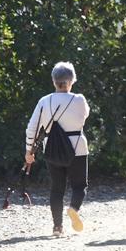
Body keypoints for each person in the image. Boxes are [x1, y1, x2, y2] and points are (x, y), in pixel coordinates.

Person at [25, 62, 90, 236]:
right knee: (79, 186)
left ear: (54, 81)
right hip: (77, 147)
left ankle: (57, 227)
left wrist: (29, 152)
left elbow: (32, 128)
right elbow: (85, 116)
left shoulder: (44, 101)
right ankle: (74, 209)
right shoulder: (79, 100)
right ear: (72, 81)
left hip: (52, 148)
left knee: (56, 189)